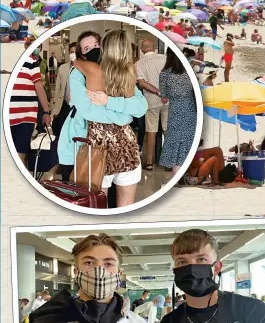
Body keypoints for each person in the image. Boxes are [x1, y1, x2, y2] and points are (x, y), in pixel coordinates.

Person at [21, 233, 155, 323]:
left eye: (108, 264)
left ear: (119, 274)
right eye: (89, 263)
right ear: (76, 272)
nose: (99, 271)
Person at [155, 229, 265, 323]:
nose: (191, 268)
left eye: (201, 259)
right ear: (175, 271)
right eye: (182, 261)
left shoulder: (256, 313)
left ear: (216, 268)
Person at [69, 30, 145, 206]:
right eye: (88, 48)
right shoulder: (128, 70)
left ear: (103, 47)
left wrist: (108, 101)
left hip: (113, 145)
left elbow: (141, 108)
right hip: (111, 146)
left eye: (96, 45)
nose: (94, 49)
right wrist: (123, 116)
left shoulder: (105, 70)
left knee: (110, 206)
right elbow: (89, 111)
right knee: (110, 206)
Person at [9, 37, 53, 165]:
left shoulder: (31, 62)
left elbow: (39, 86)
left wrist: (46, 111)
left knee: (19, 152)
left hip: (26, 116)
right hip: (8, 115)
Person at [158, 50, 198, 177]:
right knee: (188, 139)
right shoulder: (189, 72)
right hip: (190, 109)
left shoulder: (164, 74)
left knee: (174, 139)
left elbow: (164, 96)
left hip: (175, 110)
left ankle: (176, 173)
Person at [135, 39, 167, 171]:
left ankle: (149, 162)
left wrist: (157, 92)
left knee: (151, 131)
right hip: (168, 100)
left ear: (142, 50)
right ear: (154, 47)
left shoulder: (138, 64)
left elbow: (142, 84)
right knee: (167, 130)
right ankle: (169, 162)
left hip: (150, 102)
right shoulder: (164, 59)